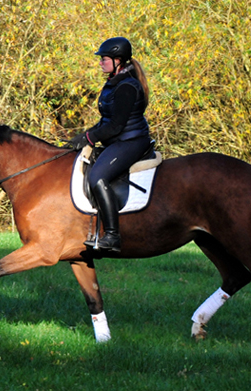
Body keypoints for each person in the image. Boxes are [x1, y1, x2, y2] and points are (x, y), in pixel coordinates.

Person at [69, 36, 152, 252]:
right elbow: (106, 120)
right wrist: (85, 135)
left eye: (104, 59)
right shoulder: (113, 84)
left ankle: (113, 236)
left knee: (98, 176)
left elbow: (115, 126)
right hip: (118, 140)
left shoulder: (127, 87)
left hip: (131, 141)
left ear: (118, 60)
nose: (100, 62)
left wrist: (89, 138)